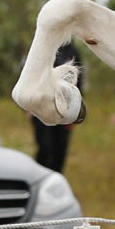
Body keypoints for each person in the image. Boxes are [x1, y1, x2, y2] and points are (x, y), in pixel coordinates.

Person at [31, 41, 81, 172]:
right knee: (46, 147)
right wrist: (28, 107)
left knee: (60, 150)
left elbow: (79, 82)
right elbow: (28, 77)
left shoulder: (73, 51)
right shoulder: (41, 47)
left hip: (64, 110)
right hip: (42, 107)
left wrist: (76, 111)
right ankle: (41, 179)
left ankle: (56, 183)